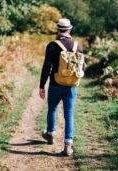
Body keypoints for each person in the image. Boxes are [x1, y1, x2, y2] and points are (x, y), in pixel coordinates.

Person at [39, 18, 83, 156]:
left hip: (55, 84)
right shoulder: (77, 46)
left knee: (52, 109)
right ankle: (68, 146)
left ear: (58, 29)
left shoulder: (52, 45)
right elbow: (83, 67)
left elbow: (46, 67)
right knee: (69, 114)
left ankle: (50, 134)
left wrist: (41, 85)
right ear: (69, 29)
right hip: (71, 86)